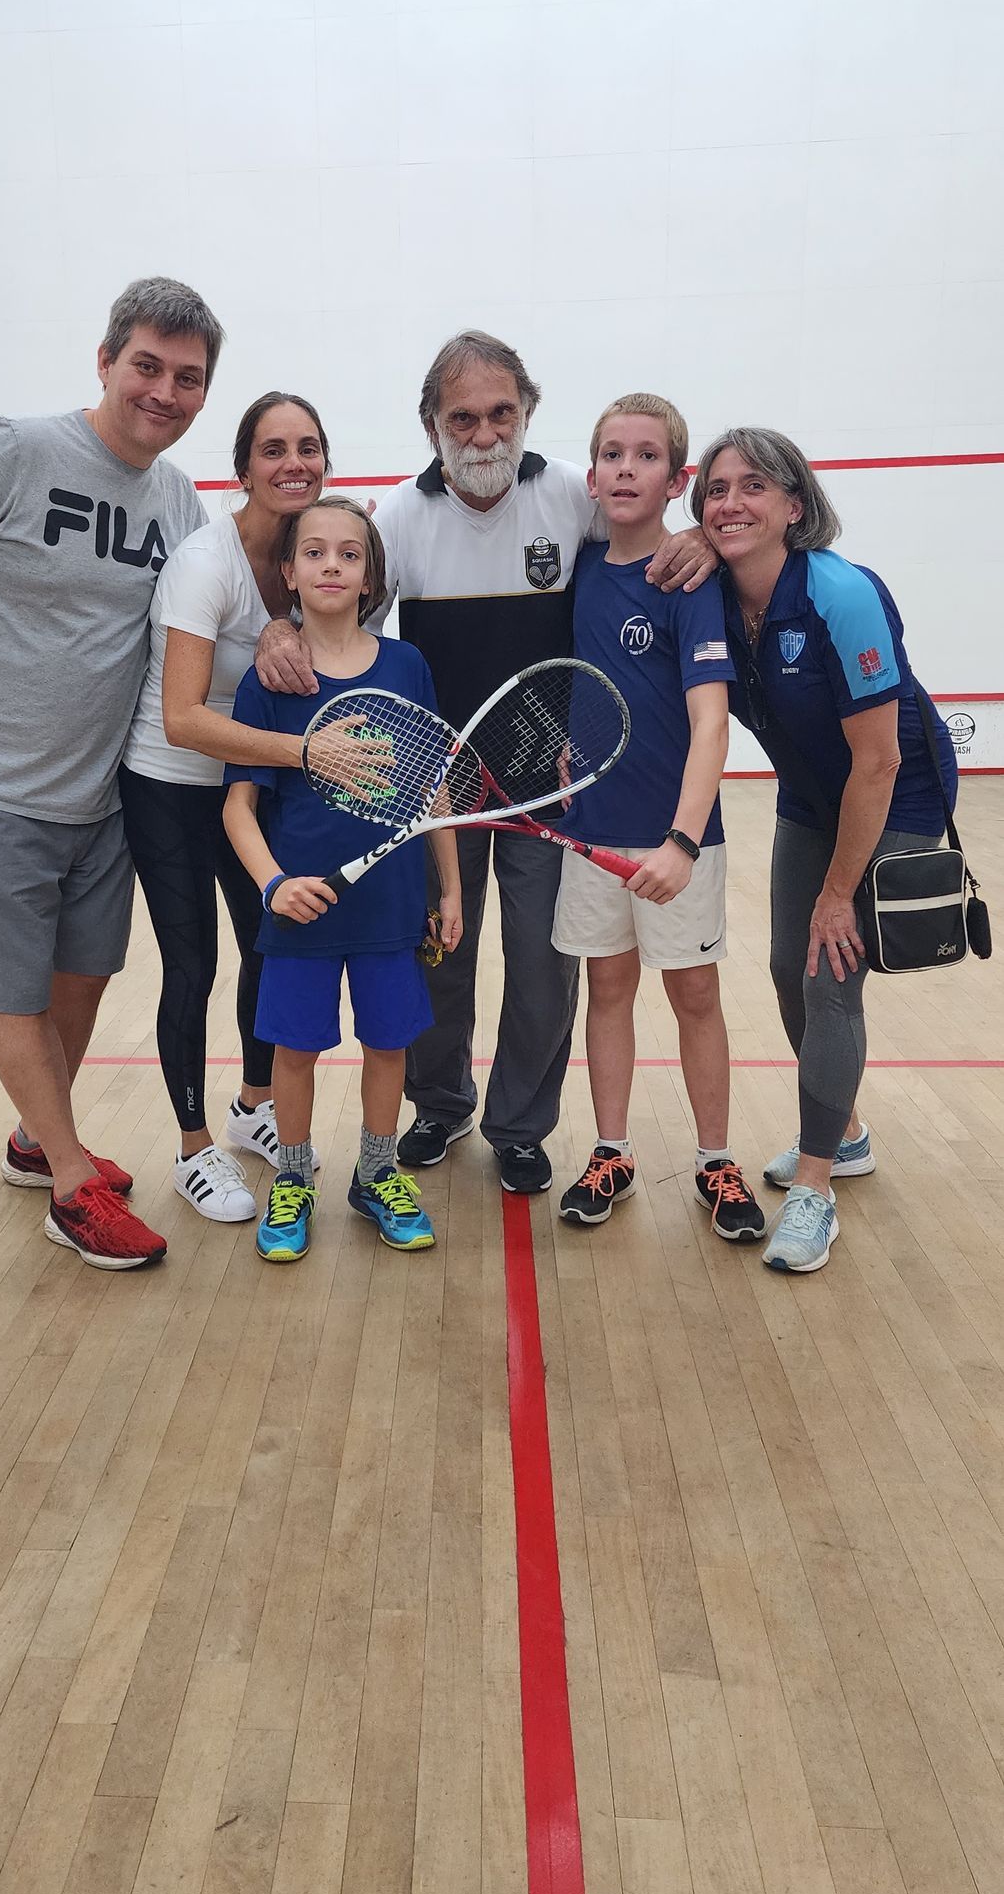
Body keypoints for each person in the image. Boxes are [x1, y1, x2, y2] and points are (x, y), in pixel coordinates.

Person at [254, 331, 716, 1197]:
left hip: (553, 790)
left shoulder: (569, 497)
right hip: (437, 792)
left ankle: (520, 1126)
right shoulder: (398, 517)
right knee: (438, 950)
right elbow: (327, 585)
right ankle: (437, 1104)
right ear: (431, 426)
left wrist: (705, 544)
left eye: (501, 413)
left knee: (545, 964)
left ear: (528, 413)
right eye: (461, 418)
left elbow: (645, 521)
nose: (483, 435)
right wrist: (279, 625)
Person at [0, 276, 224, 1272]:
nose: (163, 390)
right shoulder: (16, 450)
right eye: (146, 365)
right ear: (105, 361)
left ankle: (34, 1134)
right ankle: (70, 1182)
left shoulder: (178, 498)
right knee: (16, 996)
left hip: (101, 801)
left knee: (81, 981)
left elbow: (213, 615)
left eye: (186, 377)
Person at [691, 427, 957, 1273]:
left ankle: (815, 1190)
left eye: (752, 487)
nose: (730, 503)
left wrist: (840, 893)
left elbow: (878, 762)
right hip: (811, 796)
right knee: (783, 966)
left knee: (828, 971)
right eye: (716, 489)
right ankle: (843, 1133)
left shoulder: (842, 593)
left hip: (896, 793)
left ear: (794, 506)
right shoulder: (716, 598)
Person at [223, 497, 462, 1263]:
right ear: (287, 573)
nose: (332, 565)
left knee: (389, 1047)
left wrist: (449, 888)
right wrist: (271, 886)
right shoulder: (270, 676)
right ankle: (292, 1181)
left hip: (392, 907)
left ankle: (375, 1172)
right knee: (294, 1053)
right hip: (299, 912)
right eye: (315, 552)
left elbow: (434, 788)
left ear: (370, 578)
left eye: (350, 555)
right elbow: (238, 808)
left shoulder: (408, 665)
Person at [552, 395, 766, 1242]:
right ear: (594, 471)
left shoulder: (689, 580)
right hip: (590, 831)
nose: (625, 470)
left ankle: (716, 1160)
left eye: (646, 457)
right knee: (607, 990)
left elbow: (710, 722)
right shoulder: (578, 570)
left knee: (695, 997)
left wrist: (683, 840)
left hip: (681, 841)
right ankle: (612, 1151)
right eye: (611, 455)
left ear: (676, 479)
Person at [119, 393, 333, 1223]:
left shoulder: (311, 555)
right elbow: (183, 717)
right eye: (273, 449)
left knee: (269, 948)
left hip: (245, 787)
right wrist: (304, 755)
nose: (293, 463)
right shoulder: (207, 563)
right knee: (193, 963)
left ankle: (252, 1106)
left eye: (308, 447)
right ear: (244, 468)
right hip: (170, 783)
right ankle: (193, 1147)